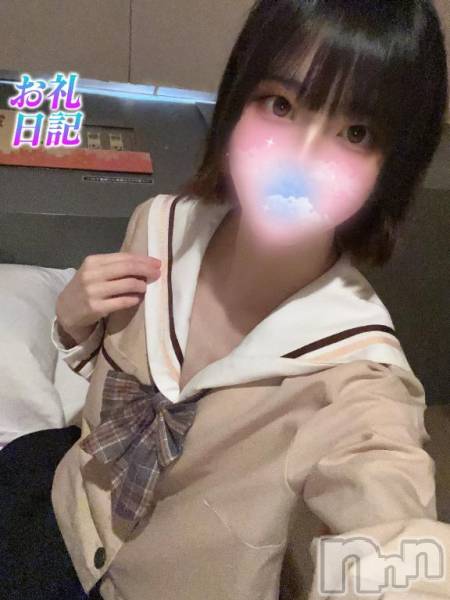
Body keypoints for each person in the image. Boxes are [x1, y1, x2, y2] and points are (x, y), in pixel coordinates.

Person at [1, 1, 449, 599]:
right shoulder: (156, 225)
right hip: (62, 505)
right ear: (238, 103)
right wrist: (71, 321)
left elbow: (391, 522)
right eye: (281, 105)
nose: (300, 158)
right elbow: (106, 386)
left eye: (355, 132)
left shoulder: (359, 380)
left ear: (391, 169)